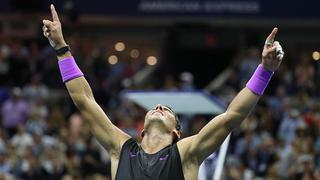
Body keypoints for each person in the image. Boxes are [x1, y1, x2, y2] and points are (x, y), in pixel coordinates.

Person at [42, 4, 284, 180]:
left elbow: (232, 116)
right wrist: (61, 49)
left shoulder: (187, 153)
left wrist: (265, 70)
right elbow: (84, 101)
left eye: (167, 111)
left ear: (177, 132)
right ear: (142, 128)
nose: (159, 107)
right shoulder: (121, 148)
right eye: (156, 108)